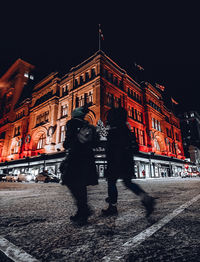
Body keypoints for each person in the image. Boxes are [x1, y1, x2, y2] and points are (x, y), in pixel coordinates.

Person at [102, 107, 156, 218]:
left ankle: (112, 206)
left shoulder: (114, 130)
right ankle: (146, 197)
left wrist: (110, 162)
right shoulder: (127, 129)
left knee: (111, 182)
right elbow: (134, 148)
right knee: (128, 182)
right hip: (127, 161)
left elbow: (111, 148)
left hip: (116, 161)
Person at [62, 106, 99, 226]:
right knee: (81, 184)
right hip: (88, 157)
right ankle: (82, 211)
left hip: (76, 156)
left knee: (70, 181)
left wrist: (67, 145)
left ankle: (83, 209)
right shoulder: (90, 127)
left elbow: (68, 141)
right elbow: (96, 142)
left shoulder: (71, 123)